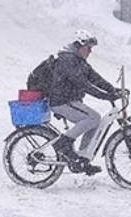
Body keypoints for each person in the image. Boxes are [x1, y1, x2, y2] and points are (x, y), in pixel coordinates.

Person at [47, 31, 122, 174]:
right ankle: (63, 143)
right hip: (61, 101)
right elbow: (82, 84)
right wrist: (104, 96)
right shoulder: (67, 60)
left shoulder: (79, 61)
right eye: (88, 48)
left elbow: (94, 78)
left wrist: (112, 89)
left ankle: (82, 158)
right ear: (79, 46)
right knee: (93, 118)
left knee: (96, 121)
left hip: (69, 101)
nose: (90, 51)